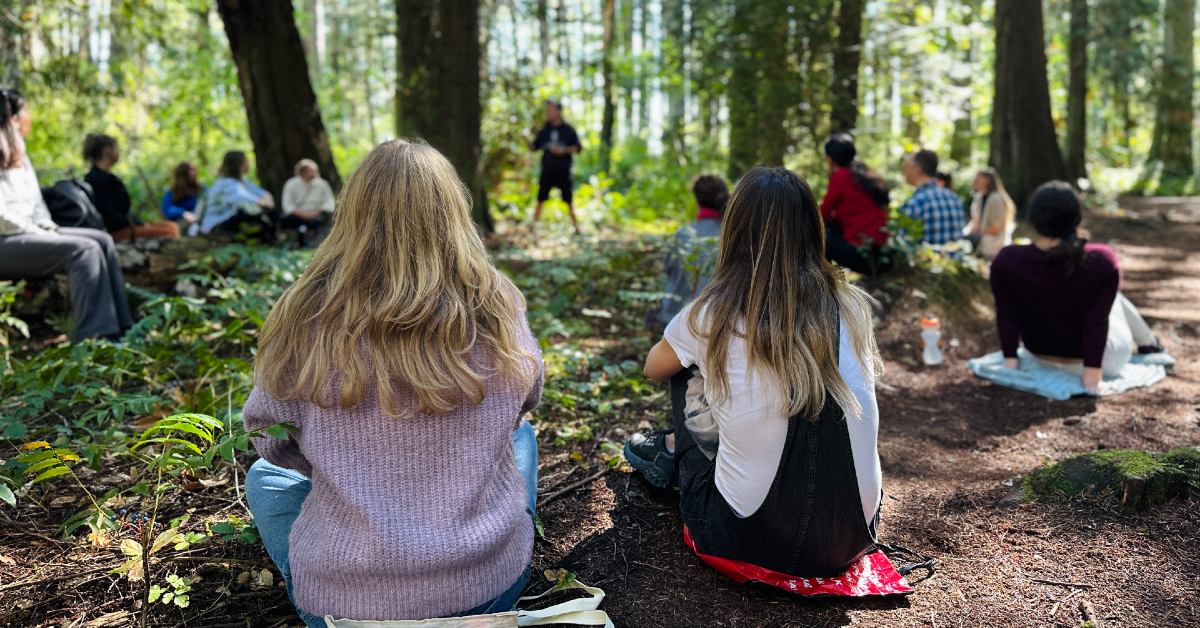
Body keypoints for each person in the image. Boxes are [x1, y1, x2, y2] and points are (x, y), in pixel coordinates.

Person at [242, 139, 543, 626]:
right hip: (486, 589)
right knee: (522, 437)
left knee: (264, 478)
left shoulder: (305, 311)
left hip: (345, 608)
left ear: (352, 213)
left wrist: (350, 469)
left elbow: (269, 437)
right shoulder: (494, 300)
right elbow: (525, 399)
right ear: (453, 213)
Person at [624, 166, 885, 580]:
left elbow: (654, 367)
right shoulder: (850, 305)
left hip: (746, 537)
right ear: (812, 229)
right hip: (851, 534)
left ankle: (672, 447)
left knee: (684, 371)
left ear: (734, 230)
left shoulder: (714, 312)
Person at [990, 181, 1162, 394]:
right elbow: (1096, 322)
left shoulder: (1007, 260)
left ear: (1033, 219)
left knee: (1105, 293)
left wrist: (1011, 367)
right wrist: (1092, 380)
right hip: (1102, 361)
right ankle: (1149, 343)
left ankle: (1149, 341)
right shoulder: (1102, 261)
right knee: (1112, 297)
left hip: (1038, 355)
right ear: (1076, 218)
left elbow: (1006, 315)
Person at [0, 88, 132, 341]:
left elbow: (35, 203)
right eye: (25, 110)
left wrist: (47, 228)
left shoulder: (19, 151)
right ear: (13, 118)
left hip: (27, 233)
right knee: (84, 250)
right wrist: (35, 232)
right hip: (6, 240)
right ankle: (92, 339)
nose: (30, 116)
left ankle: (125, 330)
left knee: (102, 240)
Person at [656, 175, 728, 328]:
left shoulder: (682, 233)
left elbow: (669, 271)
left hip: (673, 319)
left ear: (697, 200)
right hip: (714, 326)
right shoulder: (731, 236)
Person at [83, 134, 180, 240]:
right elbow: (108, 217)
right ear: (108, 151)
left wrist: (140, 224)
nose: (119, 151)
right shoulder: (96, 180)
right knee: (170, 230)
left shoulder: (107, 178)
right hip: (114, 232)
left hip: (125, 227)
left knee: (172, 226)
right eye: (116, 148)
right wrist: (134, 225)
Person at [819, 134, 891, 276]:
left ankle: (824, 281)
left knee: (821, 236)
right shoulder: (866, 174)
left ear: (830, 159)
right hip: (882, 253)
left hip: (863, 256)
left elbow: (823, 213)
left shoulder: (841, 176)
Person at [197, 150, 275, 240]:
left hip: (228, 220)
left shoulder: (243, 181)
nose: (248, 164)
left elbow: (264, 193)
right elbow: (247, 199)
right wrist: (264, 202)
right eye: (246, 161)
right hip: (217, 223)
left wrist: (266, 201)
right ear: (238, 165)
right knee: (248, 214)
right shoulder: (225, 184)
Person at [529, 99, 582, 232]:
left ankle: (576, 227)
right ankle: (533, 227)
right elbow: (534, 147)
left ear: (558, 111)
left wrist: (563, 150)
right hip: (547, 170)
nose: (548, 112)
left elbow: (578, 147)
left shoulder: (568, 129)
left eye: (551, 110)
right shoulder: (545, 129)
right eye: (548, 110)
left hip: (563, 170)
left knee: (568, 200)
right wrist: (524, 138)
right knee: (540, 198)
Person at [899, 149, 965, 246]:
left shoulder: (915, 202)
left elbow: (903, 244)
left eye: (907, 166)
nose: (904, 171)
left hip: (924, 261)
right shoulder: (954, 198)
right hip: (954, 261)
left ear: (918, 169)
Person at [280, 158, 335, 244]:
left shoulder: (322, 184)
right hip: (297, 216)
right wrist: (303, 214)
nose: (314, 174)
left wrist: (318, 211)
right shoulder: (291, 184)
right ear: (302, 172)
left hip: (318, 215)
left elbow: (330, 203)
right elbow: (287, 206)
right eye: (311, 171)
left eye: (315, 171)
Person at [964, 168, 1015, 260]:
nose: (975, 180)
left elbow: (996, 227)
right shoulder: (979, 198)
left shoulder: (996, 199)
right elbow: (974, 222)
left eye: (978, 178)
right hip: (981, 239)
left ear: (987, 180)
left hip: (993, 243)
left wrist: (976, 234)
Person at [161, 161, 202, 226]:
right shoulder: (171, 192)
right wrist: (183, 213)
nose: (194, 173)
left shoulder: (200, 189)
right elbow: (167, 210)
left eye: (194, 170)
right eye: (191, 171)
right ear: (183, 174)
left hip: (198, 223)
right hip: (178, 225)